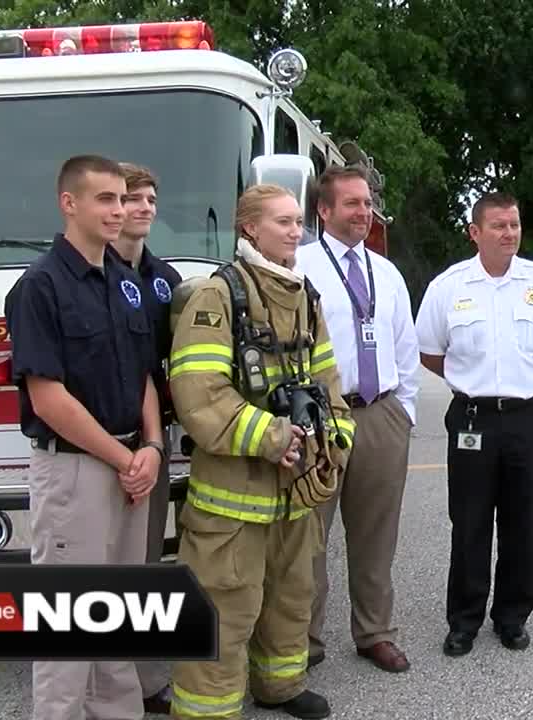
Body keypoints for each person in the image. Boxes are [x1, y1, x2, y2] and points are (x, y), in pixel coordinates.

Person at [166, 184, 355, 720]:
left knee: (290, 597)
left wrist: (336, 439)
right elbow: (199, 393)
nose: (297, 232)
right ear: (250, 228)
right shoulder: (217, 296)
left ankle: (280, 686)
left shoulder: (303, 293)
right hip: (232, 498)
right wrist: (272, 436)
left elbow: (326, 377)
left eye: (299, 222)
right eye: (284, 223)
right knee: (224, 607)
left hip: (293, 491)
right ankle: (207, 710)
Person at [4, 155, 165, 720]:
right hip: (76, 470)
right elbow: (49, 399)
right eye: (105, 199)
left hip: (130, 463)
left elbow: (145, 371)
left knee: (119, 610)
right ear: (68, 203)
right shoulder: (39, 287)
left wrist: (151, 445)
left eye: (123, 199)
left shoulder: (126, 283)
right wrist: (127, 457)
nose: (119, 211)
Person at [415, 192, 533, 657]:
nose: (509, 234)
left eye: (514, 225)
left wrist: (529, 380)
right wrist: (470, 382)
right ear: (475, 232)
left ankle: (512, 616)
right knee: (468, 522)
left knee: (523, 521)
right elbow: (429, 351)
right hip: (472, 417)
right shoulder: (448, 286)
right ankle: (464, 620)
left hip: (529, 417)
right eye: (498, 226)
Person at [294, 166, 419, 673]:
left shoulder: (385, 272)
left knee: (376, 534)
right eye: (351, 204)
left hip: (381, 413)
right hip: (324, 415)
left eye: (367, 204)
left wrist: (404, 411)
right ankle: (303, 639)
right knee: (308, 537)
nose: (363, 213)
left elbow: (405, 347)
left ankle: (374, 632)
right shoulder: (298, 267)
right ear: (323, 211)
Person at [108, 162, 183, 714]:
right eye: (134, 199)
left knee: (147, 560)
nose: (144, 207)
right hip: (101, 440)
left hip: (153, 443)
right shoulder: (88, 274)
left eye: (151, 199)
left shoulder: (166, 281)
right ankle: (93, 683)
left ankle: (147, 679)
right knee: (98, 567)